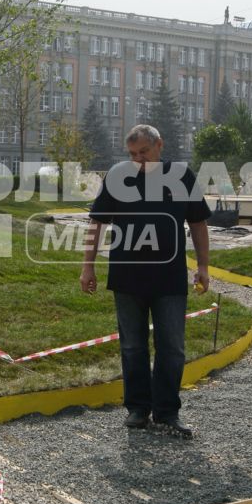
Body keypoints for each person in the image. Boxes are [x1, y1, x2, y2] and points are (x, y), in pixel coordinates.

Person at [80, 124, 211, 439]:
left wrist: (204, 266)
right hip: (127, 277)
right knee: (133, 346)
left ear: (160, 145)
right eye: (132, 154)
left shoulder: (181, 177)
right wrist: (88, 267)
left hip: (169, 278)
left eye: (144, 152)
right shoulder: (117, 178)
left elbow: (198, 223)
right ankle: (138, 409)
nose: (138, 160)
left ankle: (167, 412)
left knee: (172, 347)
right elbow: (96, 223)